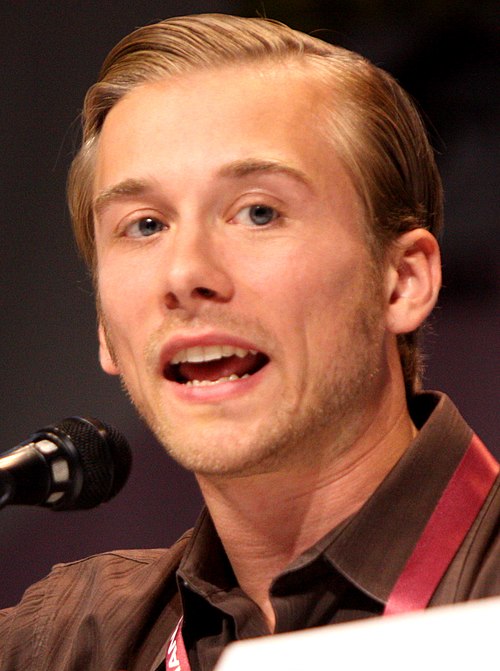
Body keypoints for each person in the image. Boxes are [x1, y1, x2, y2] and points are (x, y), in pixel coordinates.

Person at [0, 13, 498, 671]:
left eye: (258, 212)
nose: (185, 275)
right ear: (104, 327)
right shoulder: (64, 642)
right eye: (145, 225)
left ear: (400, 281)